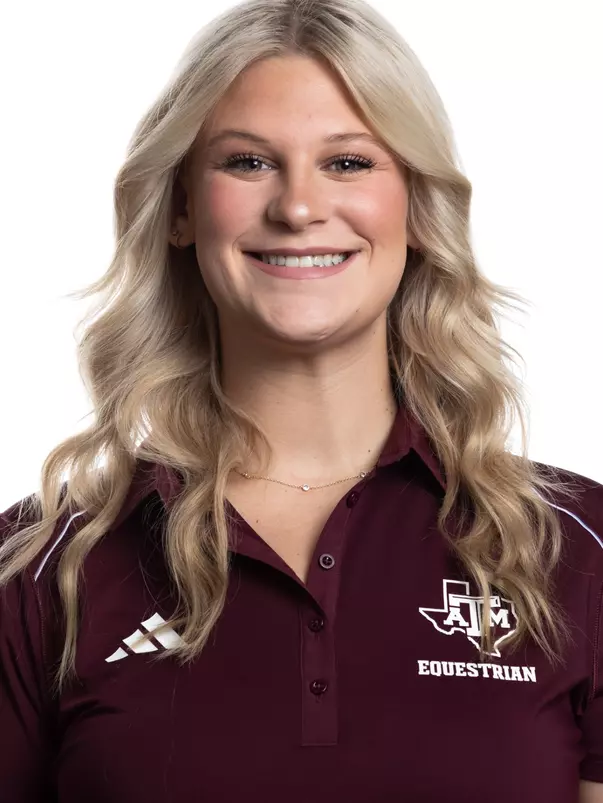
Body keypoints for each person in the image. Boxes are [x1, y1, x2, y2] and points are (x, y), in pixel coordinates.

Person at [1, 0, 602, 800]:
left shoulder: (573, 549)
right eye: (247, 162)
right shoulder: (45, 565)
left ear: (417, 207)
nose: (296, 207)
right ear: (180, 208)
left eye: (348, 163)